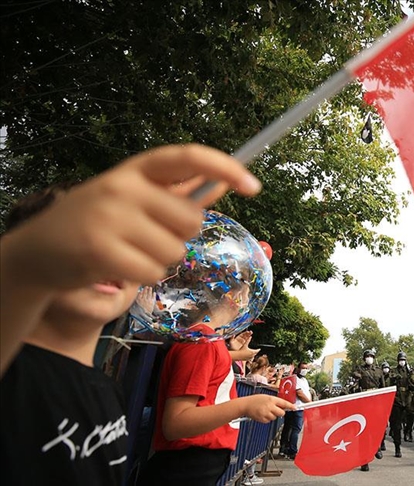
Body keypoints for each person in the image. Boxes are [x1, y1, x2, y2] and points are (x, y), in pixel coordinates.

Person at [0, 144, 262, 485]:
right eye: (84, 241)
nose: (107, 260)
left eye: (127, 247)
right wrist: (17, 267)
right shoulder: (11, 369)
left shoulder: (105, 391)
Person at [140, 282, 292, 485]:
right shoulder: (201, 341)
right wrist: (245, 405)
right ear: (231, 296)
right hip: (186, 464)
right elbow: (175, 423)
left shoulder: (208, 341)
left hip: (195, 463)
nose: (247, 302)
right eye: (246, 294)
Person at [352, 349, 385, 471]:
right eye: (367, 356)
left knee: (377, 427)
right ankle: (364, 460)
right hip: (364, 402)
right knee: (364, 431)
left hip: (376, 402)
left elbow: (383, 387)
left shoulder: (378, 371)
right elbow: (354, 375)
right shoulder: (360, 370)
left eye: (371, 356)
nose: (369, 358)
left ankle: (377, 447)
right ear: (364, 358)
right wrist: (358, 375)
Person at [279, 363, 311, 460]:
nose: (304, 370)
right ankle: (292, 451)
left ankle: (284, 448)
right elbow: (299, 393)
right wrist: (310, 403)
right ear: (298, 368)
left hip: (299, 407)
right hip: (296, 408)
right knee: (295, 429)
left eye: (306, 368)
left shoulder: (304, 380)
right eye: (302, 368)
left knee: (289, 428)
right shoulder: (294, 379)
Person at [387, 351, 411, 457]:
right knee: (397, 426)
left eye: (404, 360)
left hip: (408, 398)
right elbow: (389, 380)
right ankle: (397, 447)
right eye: (401, 360)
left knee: (412, 417)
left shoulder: (410, 371)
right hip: (397, 399)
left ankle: (408, 431)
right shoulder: (393, 371)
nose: (402, 362)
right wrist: (394, 378)